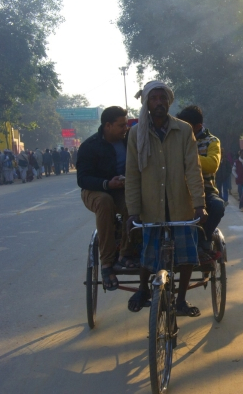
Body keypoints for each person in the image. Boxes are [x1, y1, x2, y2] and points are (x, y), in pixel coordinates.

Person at [126, 81, 207, 317]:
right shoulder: (136, 134)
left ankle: (181, 300)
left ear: (168, 102)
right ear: (147, 103)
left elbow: (193, 169)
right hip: (151, 205)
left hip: (180, 204)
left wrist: (200, 205)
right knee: (148, 253)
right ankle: (142, 289)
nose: (159, 103)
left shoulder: (183, 130)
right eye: (154, 98)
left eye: (163, 98)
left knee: (186, 255)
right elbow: (132, 174)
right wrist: (133, 210)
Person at [77, 106, 138, 291]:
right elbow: (83, 179)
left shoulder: (129, 141)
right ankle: (106, 263)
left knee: (133, 201)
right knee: (105, 201)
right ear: (108, 126)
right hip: (94, 191)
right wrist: (106, 183)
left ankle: (126, 253)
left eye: (126, 125)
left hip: (122, 189)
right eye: (121, 126)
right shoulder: (89, 146)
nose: (124, 129)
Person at [177, 105, 225, 259]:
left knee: (218, 206)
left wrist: (188, 159)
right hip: (180, 190)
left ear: (197, 126)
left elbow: (212, 164)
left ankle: (204, 239)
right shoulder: (176, 140)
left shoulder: (212, 141)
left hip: (206, 190)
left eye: (187, 126)